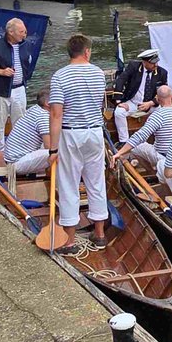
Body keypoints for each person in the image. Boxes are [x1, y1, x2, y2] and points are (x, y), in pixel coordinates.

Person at [49, 34, 110, 253]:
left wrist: (52, 149)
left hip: (70, 134)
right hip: (94, 133)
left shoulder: (60, 76)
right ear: (86, 52)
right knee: (96, 182)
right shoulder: (98, 74)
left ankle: (70, 240)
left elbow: (56, 114)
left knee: (69, 185)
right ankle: (100, 234)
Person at [0, 18, 31, 153]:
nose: (24, 34)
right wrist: (2, 72)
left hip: (19, 89)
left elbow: (28, 63)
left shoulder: (26, 45)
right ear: (10, 32)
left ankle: (19, 150)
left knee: (20, 123)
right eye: (21, 32)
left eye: (25, 32)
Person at [112, 85, 172, 167]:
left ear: (157, 99)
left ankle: (151, 172)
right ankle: (155, 172)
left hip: (164, 158)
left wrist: (119, 153)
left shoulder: (157, 116)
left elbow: (140, 136)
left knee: (136, 146)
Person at [112, 48, 168, 143]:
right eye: (152, 63)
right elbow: (120, 80)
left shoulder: (162, 73)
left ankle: (162, 139)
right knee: (119, 113)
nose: (156, 65)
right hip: (133, 102)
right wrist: (119, 102)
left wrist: (150, 103)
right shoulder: (133, 67)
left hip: (152, 103)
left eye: (156, 62)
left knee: (165, 113)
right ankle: (124, 141)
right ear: (144, 62)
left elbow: (163, 92)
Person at [2, 88, 54, 175]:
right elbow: (49, 146)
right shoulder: (43, 117)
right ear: (47, 104)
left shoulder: (35, 109)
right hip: (16, 163)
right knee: (57, 152)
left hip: (13, 158)